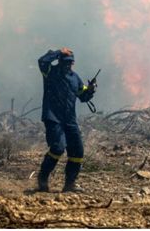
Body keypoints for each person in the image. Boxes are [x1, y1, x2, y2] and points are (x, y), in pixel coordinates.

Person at [36, 47, 96, 192]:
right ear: (60, 61)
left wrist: (90, 90)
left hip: (70, 120)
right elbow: (42, 61)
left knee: (77, 152)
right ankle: (43, 178)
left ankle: (69, 185)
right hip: (53, 118)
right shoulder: (50, 72)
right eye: (64, 62)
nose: (67, 65)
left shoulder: (75, 78)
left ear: (73, 63)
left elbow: (83, 96)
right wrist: (58, 52)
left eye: (70, 62)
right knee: (57, 148)